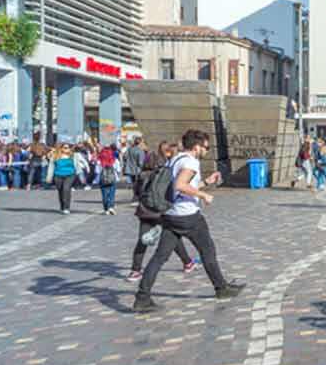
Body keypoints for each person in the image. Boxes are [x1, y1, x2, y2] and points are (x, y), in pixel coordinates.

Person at [133, 129, 245, 314]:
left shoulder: (175, 159)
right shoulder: (191, 161)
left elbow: (181, 186)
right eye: (205, 147)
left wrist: (206, 182)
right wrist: (203, 195)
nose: (206, 151)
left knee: (159, 257)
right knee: (207, 250)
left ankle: (142, 297)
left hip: (171, 215)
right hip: (188, 216)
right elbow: (180, 185)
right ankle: (221, 288)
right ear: (196, 147)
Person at [128, 141, 196, 282]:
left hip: (146, 210)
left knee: (143, 240)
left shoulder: (146, 170)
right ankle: (188, 262)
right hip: (162, 210)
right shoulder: (169, 169)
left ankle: (135, 270)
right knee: (172, 238)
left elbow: (137, 191)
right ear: (169, 152)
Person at [51, 144, 76, 213]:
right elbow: (51, 166)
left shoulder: (73, 156)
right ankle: (62, 206)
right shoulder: (55, 156)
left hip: (70, 175)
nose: (67, 149)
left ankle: (66, 207)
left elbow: (77, 165)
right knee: (61, 191)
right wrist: (49, 177)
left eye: (68, 148)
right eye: (65, 148)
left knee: (66, 189)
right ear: (61, 148)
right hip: (58, 175)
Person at [98, 144, 120, 214]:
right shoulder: (114, 159)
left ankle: (106, 209)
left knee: (104, 194)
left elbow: (97, 171)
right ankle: (111, 207)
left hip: (102, 179)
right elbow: (118, 170)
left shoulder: (99, 160)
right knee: (111, 193)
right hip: (113, 178)